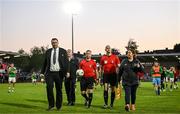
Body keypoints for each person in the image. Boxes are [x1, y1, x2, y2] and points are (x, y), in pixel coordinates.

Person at [41, 38, 68, 111]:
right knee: (49, 88)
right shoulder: (48, 51)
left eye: (55, 42)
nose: (54, 44)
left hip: (59, 73)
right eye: (53, 43)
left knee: (59, 89)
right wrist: (42, 73)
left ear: (58, 42)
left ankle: (58, 106)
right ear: (51, 43)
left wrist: (67, 72)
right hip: (49, 73)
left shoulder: (63, 51)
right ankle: (51, 105)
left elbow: (66, 62)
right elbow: (45, 63)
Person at [100, 45, 120, 109]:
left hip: (113, 75)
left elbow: (119, 66)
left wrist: (119, 75)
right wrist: (100, 77)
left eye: (109, 48)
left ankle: (111, 104)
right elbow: (101, 68)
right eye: (107, 48)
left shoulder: (115, 57)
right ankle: (105, 104)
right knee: (105, 88)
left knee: (113, 89)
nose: (108, 49)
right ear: (105, 49)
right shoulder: (103, 57)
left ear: (111, 49)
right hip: (105, 75)